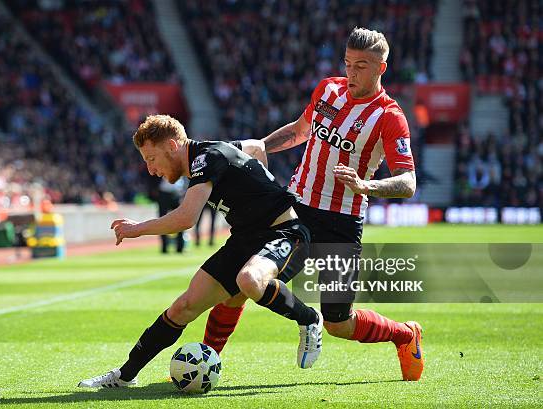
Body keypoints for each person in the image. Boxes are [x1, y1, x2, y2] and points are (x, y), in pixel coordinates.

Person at [202, 27, 425, 382]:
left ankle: (405, 335)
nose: (352, 73)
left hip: (342, 222)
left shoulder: (389, 116)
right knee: (240, 284)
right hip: (296, 213)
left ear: (382, 67)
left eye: (362, 66)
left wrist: (365, 184)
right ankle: (204, 361)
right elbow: (300, 130)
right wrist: (260, 145)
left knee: (338, 322)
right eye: (349, 63)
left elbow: (408, 182)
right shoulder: (328, 89)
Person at [78, 114, 323, 388]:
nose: (150, 169)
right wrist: (259, 182)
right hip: (244, 239)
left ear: (172, 146)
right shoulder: (210, 153)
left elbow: (186, 219)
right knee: (183, 307)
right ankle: (125, 375)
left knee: (249, 280)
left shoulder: (205, 158)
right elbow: (255, 147)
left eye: (151, 159)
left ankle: (309, 319)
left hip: (286, 234)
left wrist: (137, 229)